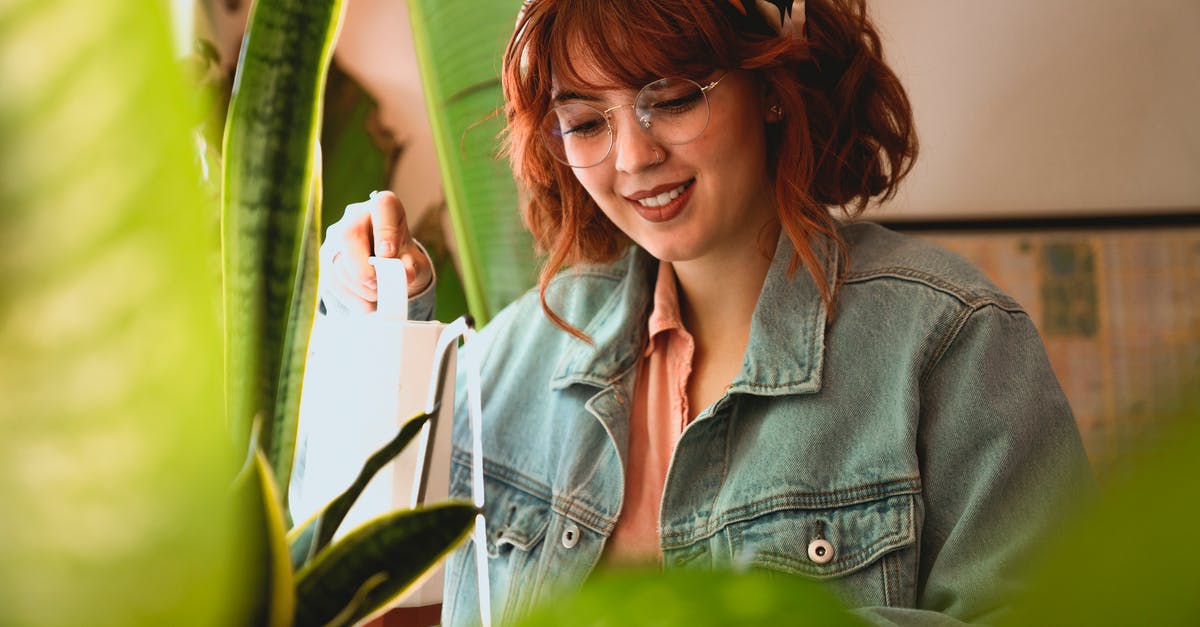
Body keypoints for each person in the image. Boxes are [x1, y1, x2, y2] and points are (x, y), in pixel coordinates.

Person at [319, 0, 1094, 624]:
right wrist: (380, 318)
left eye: (675, 98)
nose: (632, 158)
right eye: (587, 122)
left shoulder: (951, 340)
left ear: (772, 86)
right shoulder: (515, 355)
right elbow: (362, 567)